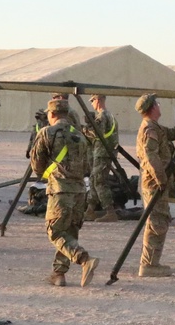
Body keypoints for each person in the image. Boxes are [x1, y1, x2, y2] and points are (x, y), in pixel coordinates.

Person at [29, 97, 99, 286]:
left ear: (51, 114)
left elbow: (36, 164)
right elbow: (87, 166)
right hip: (79, 191)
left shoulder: (47, 132)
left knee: (55, 231)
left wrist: (49, 173)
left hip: (60, 190)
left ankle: (84, 259)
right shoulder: (80, 136)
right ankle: (59, 274)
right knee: (69, 232)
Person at [135, 92, 175, 277]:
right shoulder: (150, 129)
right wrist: (161, 179)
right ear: (152, 107)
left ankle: (151, 262)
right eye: (157, 103)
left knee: (159, 221)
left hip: (157, 183)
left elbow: (173, 133)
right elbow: (150, 156)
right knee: (157, 222)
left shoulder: (155, 127)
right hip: (155, 184)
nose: (159, 106)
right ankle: (149, 265)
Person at [83, 94, 120, 223]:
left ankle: (110, 212)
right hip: (103, 152)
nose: (92, 104)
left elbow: (97, 133)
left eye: (92, 101)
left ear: (98, 100)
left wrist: (83, 130)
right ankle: (90, 210)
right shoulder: (109, 115)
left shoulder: (102, 115)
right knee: (94, 179)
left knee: (99, 181)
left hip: (102, 153)